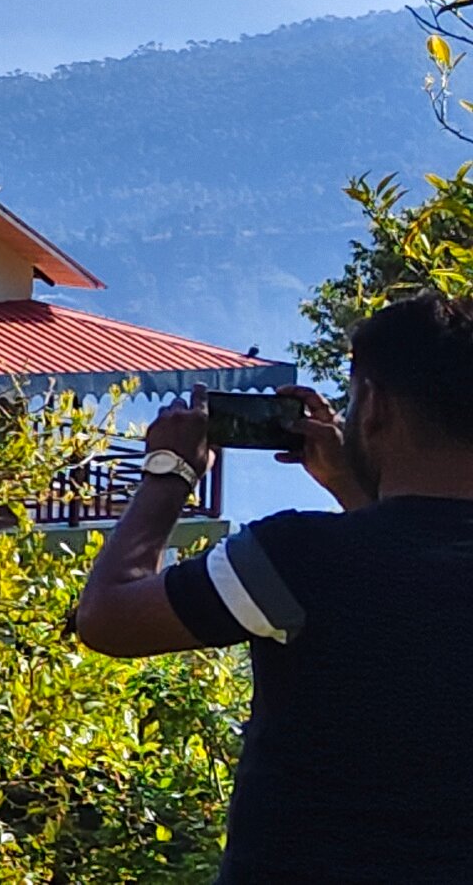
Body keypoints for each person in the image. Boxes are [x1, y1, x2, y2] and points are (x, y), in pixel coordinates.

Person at [74, 292, 473, 883]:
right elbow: (416, 566)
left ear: (377, 408)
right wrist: (351, 487)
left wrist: (168, 474)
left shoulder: (299, 560)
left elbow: (108, 617)